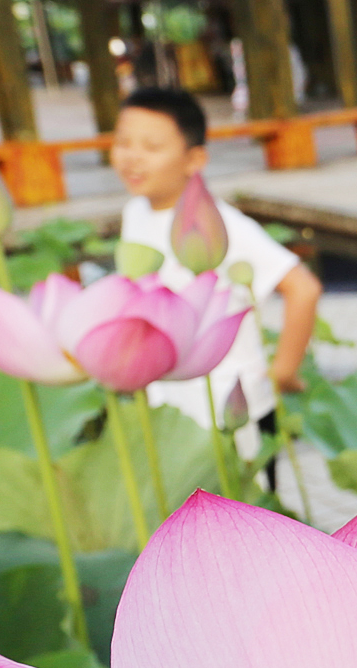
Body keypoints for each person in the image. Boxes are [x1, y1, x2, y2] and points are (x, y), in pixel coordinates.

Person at [111, 86, 322, 484]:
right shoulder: (134, 212)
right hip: (165, 399)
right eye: (123, 143)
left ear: (195, 159)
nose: (132, 157)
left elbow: (303, 288)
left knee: (244, 508)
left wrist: (283, 372)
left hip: (231, 403)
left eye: (151, 146)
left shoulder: (223, 226)